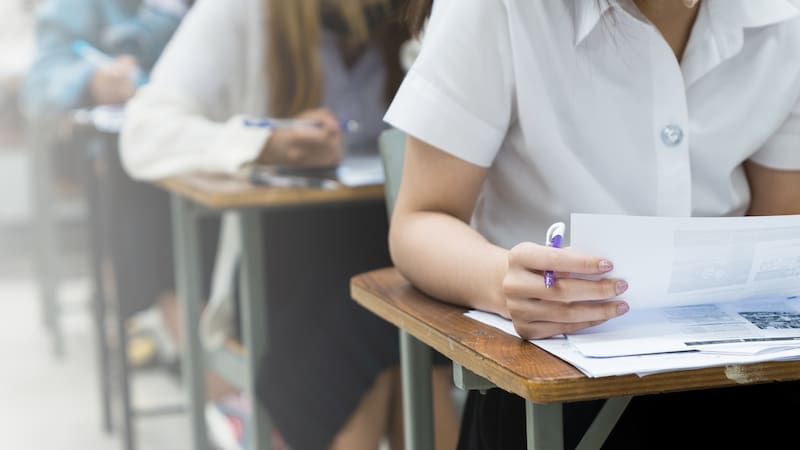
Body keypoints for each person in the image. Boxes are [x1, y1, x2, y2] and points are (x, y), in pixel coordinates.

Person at [386, 0, 800, 448]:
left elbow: (776, 231)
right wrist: (503, 281)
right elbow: (420, 219)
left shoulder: (784, 17)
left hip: (737, 373)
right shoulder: (499, 9)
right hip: (549, 380)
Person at [119, 0, 461, 449]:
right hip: (281, 267)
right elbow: (142, 131)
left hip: (395, 255)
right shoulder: (242, 14)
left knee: (401, 326)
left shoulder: (418, 16)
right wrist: (263, 142)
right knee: (383, 334)